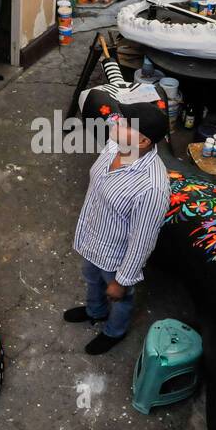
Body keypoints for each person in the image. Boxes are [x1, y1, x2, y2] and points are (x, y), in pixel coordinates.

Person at [67, 90, 170, 355]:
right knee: (91, 278)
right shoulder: (116, 146)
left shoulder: (151, 187)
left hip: (116, 258)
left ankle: (114, 331)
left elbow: (142, 240)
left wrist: (122, 281)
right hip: (92, 238)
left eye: (125, 123)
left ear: (144, 140)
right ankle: (95, 310)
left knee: (120, 298)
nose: (116, 122)